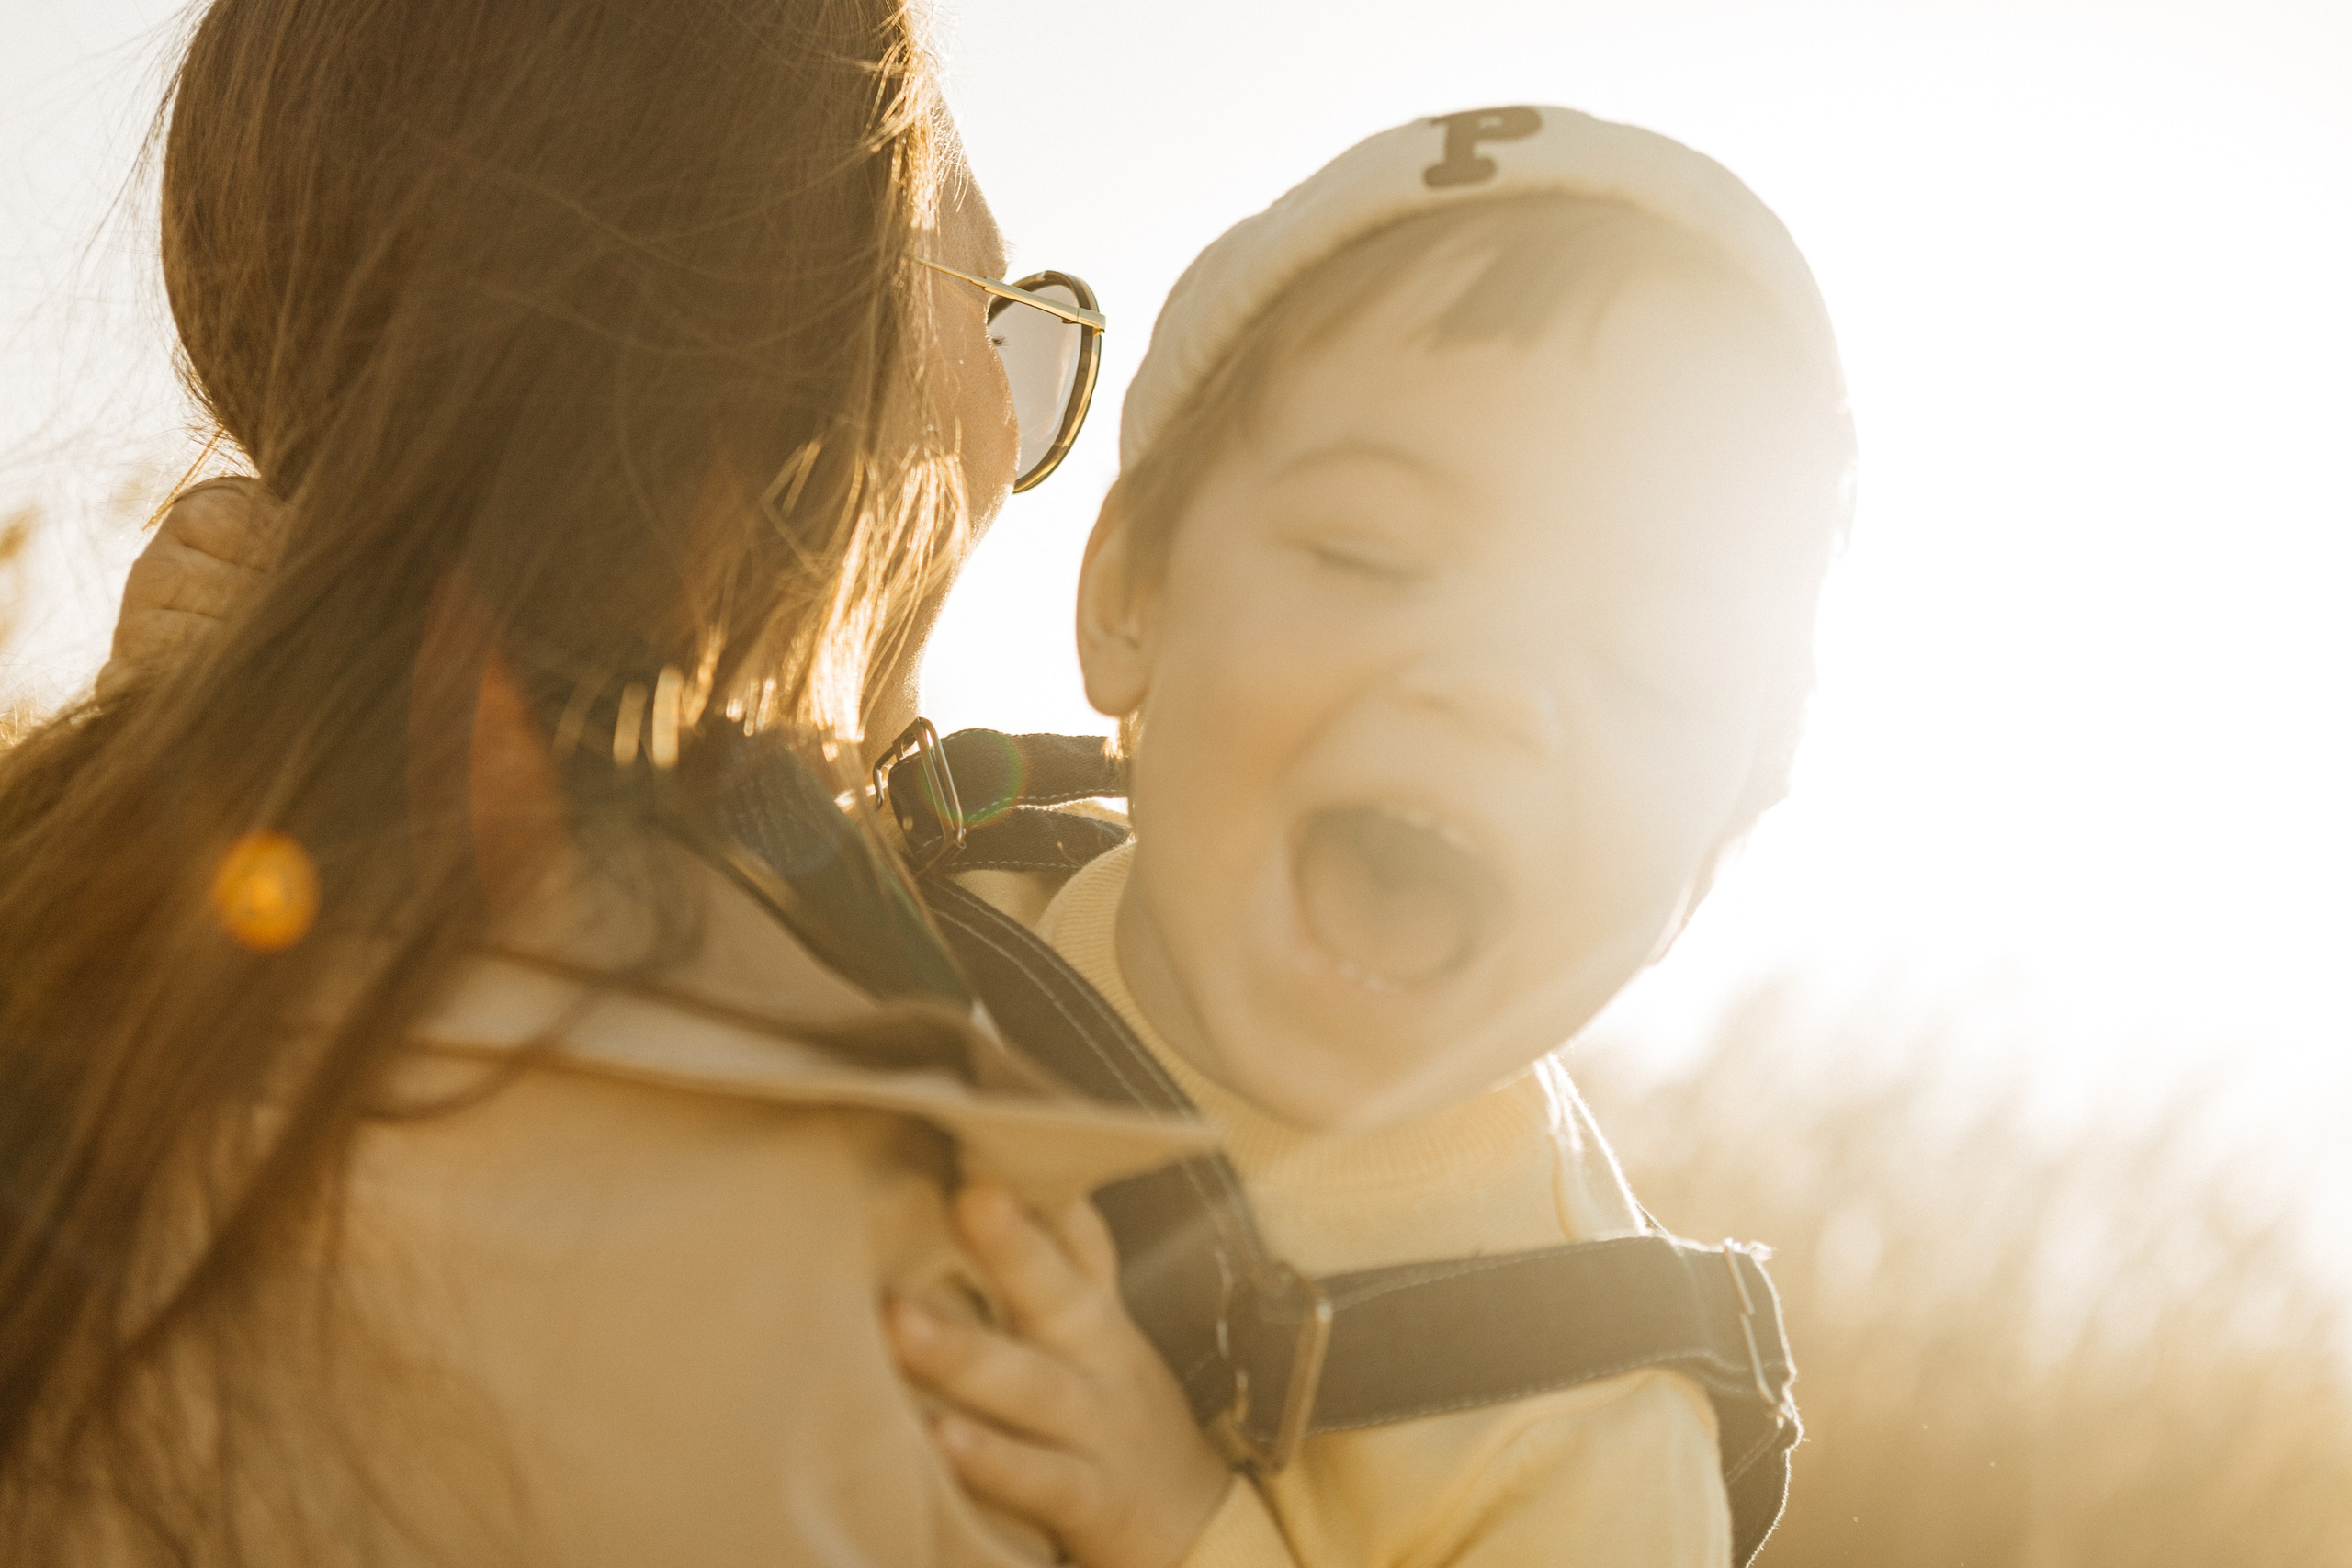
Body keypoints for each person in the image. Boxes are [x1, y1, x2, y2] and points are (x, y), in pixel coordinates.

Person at [0, 0, 1216, 1562]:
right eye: (998, 328)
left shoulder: (110, 928)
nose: (1004, 453)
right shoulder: (839, 1234)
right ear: (782, 370)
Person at [881, 109, 1854, 1567]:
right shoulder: (919, 888)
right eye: (1369, 555)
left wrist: (1181, 1529)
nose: (1494, 694)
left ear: (1720, 840)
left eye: (1652, 668)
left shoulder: (1587, 1431)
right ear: (1131, 596)